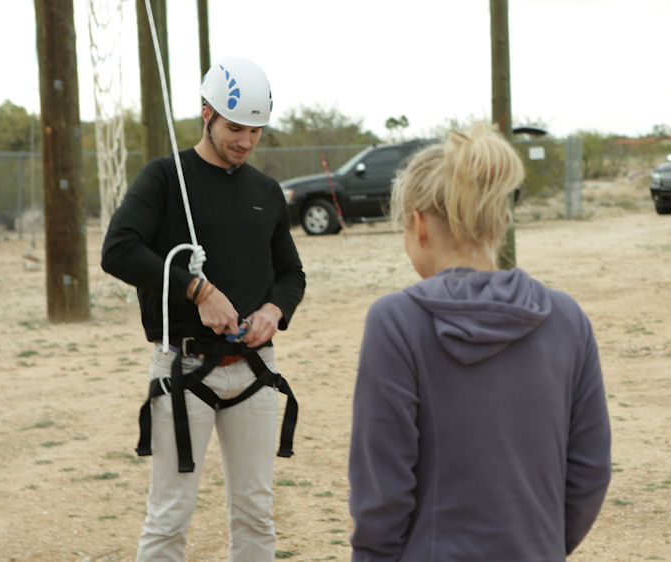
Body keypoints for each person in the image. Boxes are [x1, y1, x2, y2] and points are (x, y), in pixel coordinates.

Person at [347, 123, 611, 561]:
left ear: (418, 224)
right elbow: (590, 471)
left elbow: (382, 494)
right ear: (499, 220)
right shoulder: (567, 320)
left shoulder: (396, 322)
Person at [100, 57, 305, 561]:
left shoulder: (266, 192)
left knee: (256, 512)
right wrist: (198, 291)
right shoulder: (164, 178)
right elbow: (118, 249)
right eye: (235, 127)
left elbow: (291, 275)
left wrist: (274, 313)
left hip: (254, 372)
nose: (246, 141)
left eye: (256, 130)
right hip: (184, 369)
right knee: (170, 517)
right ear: (206, 113)